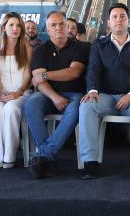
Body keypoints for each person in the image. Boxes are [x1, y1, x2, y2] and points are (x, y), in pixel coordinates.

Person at [79, 3, 130, 181]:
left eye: (122, 17)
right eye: (115, 17)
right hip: (106, 97)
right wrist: (93, 90)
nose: (119, 20)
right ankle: (90, 163)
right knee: (86, 106)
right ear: (109, 22)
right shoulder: (99, 45)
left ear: (129, 23)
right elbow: (93, 70)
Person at [24, 11, 89, 178]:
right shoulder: (40, 50)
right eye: (53, 25)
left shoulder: (81, 47)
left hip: (75, 94)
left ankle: (44, 156)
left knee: (76, 108)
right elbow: (38, 82)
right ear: (47, 29)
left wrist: (46, 75)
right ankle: (48, 157)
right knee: (31, 102)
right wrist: (54, 97)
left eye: (61, 24)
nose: (58, 28)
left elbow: (73, 72)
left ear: (68, 26)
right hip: (49, 95)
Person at [0, 12, 32, 169]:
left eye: (18, 25)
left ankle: (10, 156)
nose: (15, 28)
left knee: (11, 109)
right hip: (0, 94)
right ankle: (0, 155)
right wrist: (0, 94)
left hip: (22, 93)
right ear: (4, 28)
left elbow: (28, 74)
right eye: (11, 25)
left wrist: (18, 92)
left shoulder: (27, 49)